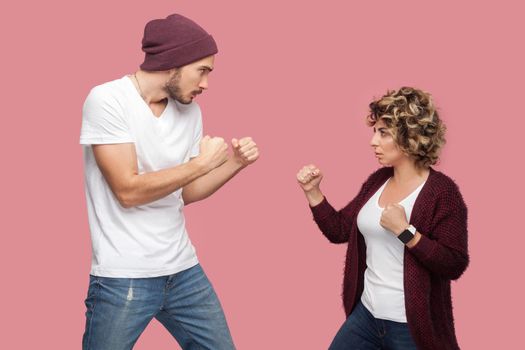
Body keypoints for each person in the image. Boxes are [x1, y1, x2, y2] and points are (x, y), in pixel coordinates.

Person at [80, 14, 258, 350]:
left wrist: (234, 163)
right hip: (124, 276)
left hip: (184, 271)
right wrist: (203, 163)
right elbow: (128, 191)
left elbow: (183, 194)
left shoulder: (189, 111)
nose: (206, 83)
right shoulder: (108, 100)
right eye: (202, 70)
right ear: (173, 62)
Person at [296, 87, 468, 350]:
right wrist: (313, 193)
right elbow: (340, 230)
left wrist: (406, 232)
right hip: (366, 316)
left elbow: (454, 263)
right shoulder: (378, 181)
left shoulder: (442, 193)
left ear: (410, 136)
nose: (373, 141)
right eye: (374, 131)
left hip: (410, 326)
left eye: (383, 132)